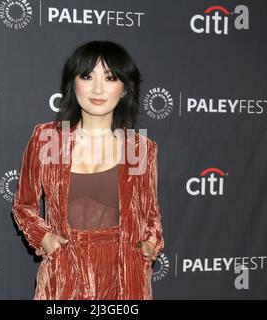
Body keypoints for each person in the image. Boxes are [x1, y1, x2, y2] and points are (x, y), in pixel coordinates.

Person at [12, 40, 164, 300]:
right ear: (73, 83)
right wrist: (44, 237)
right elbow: (24, 205)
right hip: (65, 272)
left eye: (110, 77)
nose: (97, 88)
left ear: (125, 88)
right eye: (87, 75)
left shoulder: (137, 147)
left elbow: (151, 215)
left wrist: (150, 244)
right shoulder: (50, 139)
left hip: (124, 276)